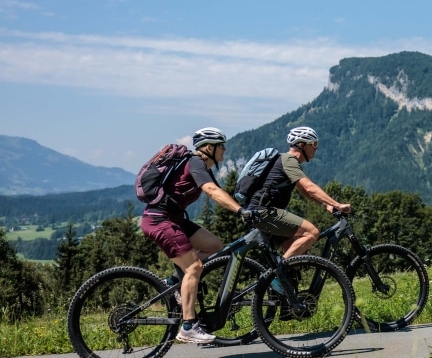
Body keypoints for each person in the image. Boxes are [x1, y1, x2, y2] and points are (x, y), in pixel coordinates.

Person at [140, 127, 252, 344]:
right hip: (159, 220)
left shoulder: (201, 167)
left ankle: (174, 282)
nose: (225, 149)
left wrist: (247, 208)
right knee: (194, 267)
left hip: (174, 219)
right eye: (221, 146)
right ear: (209, 148)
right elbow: (212, 191)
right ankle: (189, 326)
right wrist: (240, 211)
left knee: (216, 246)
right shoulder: (196, 162)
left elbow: (222, 194)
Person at [248, 126, 350, 259]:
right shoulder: (289, 160)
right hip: (264, 212)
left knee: (295, 253)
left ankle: (282, 277)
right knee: (312, 232)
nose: (316, 148)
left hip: (258, 212)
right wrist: (337, 205)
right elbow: (309, 187)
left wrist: (327, 205)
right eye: (314, 144)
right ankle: (277, 274)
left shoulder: (286, 162)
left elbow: (304, 192)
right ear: (301, 145)